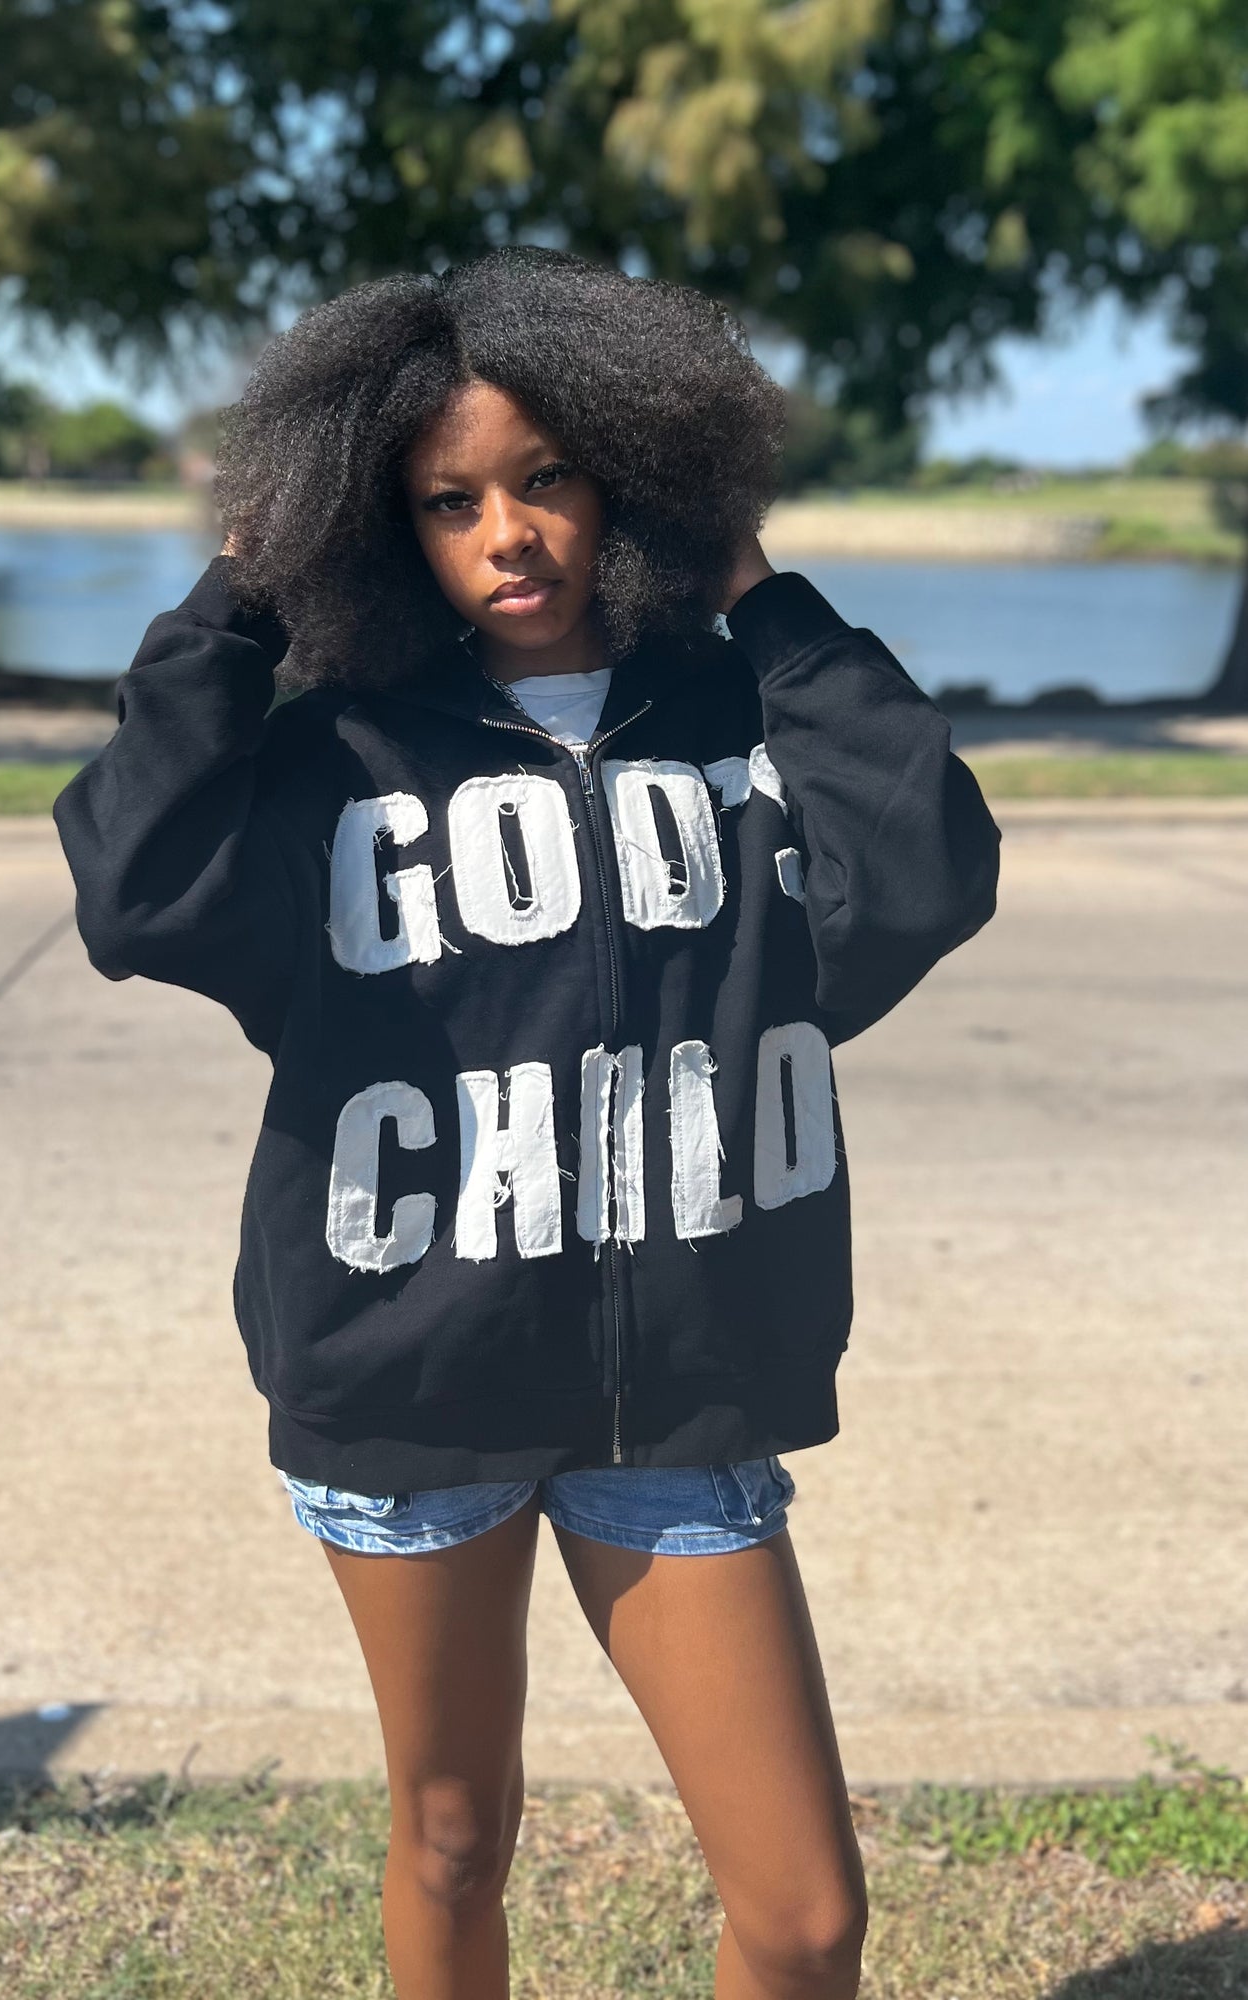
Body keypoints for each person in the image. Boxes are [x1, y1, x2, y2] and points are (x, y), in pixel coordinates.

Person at [53, 246, 1001, 2000]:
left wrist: (757, 591)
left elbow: (926, 872)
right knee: (451, 1838)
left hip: (684, 1386)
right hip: (409, 1380)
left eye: (550, 475)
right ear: (382, 523)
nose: (510, 534)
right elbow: (136, 886)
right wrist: (243, 596)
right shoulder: (335, 755)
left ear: (632, 474)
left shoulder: (739, 724)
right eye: (448, 499)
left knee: (804, 1916)